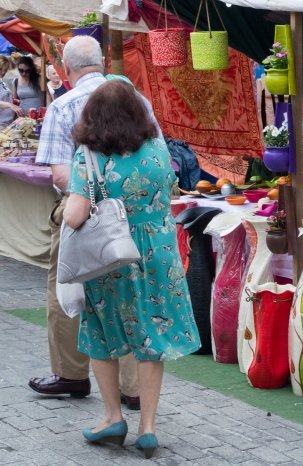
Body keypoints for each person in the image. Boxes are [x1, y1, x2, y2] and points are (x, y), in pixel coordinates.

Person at [62, 78, 200, 458]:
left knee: (101, 334)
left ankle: (111, 417)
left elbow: (75, 215)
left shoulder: (89, 156)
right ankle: (148, 427)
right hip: (158, 253)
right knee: (151, 335)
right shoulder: (157, 147)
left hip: (111, 256)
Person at [31, 36, 144, 412]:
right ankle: (134, 390)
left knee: (66, 285)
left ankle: (71, 374)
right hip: (131, 214)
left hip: (80, 210)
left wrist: (91, 198)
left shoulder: (62, 106)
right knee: (128, 293)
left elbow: (63, 176)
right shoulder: (137, 101)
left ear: (66, 69)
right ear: (104, 62)